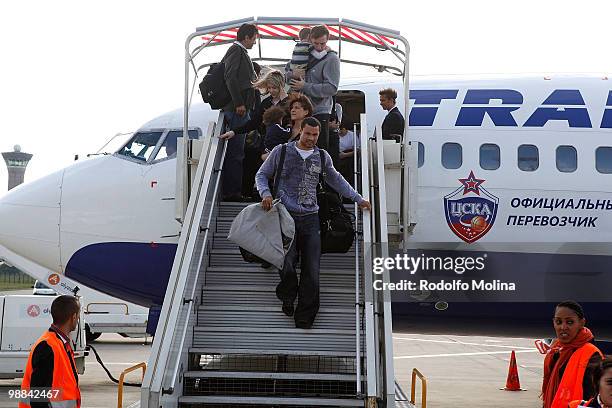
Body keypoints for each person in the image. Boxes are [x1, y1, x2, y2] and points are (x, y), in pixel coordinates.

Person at [255, 117, 371, 329]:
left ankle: (305, 316)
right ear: (300, 132)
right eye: (307, 134)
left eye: (315, 135)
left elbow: (336, 180)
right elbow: (262, 175)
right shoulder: (281, 151)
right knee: (286, 262)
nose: (311, 138)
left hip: (311, 218)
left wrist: (358, 199)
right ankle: (288, 294)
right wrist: (265, 194)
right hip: (284, 216)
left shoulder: (322, 156)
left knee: (312, 269)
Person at [20, 295, 81, 408]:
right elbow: (38, 396)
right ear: (73, 317)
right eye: (78, 316)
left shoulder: (59, 343)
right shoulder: (48, 347)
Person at [288, 25, 340, 158]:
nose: (319, 47)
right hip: (302, 113)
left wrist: (304, 86)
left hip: (320, 112)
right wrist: (293, 73)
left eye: (322, 43)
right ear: (310, 40)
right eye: (316, 43)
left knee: (319, 152)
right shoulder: (303, 53)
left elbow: (332, 88)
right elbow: (286, 74)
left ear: (328, 39)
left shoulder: (332, 58)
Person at [220, 23, 259, 201]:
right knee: (236, 152)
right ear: (247, 37)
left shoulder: (241, 52)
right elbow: (230, 76)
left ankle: (234, 190)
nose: (254, 42)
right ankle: (232, 192)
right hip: (238, 110)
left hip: (242, 109)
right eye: (254, 38)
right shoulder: (236, 50)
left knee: (238, 152)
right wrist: (239, 103)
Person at [542, 301, 603, 408]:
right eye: (558, 322)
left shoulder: (591, 355)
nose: (563, 327)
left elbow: (594, 396)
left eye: (570, 322)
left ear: (582, 323)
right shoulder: (555, 351)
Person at [288, 27, 311, 93]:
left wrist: (292, 74)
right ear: (309, 36)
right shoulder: (309, 47)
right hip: (303, 77)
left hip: (294, 71)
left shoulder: (296, 46)